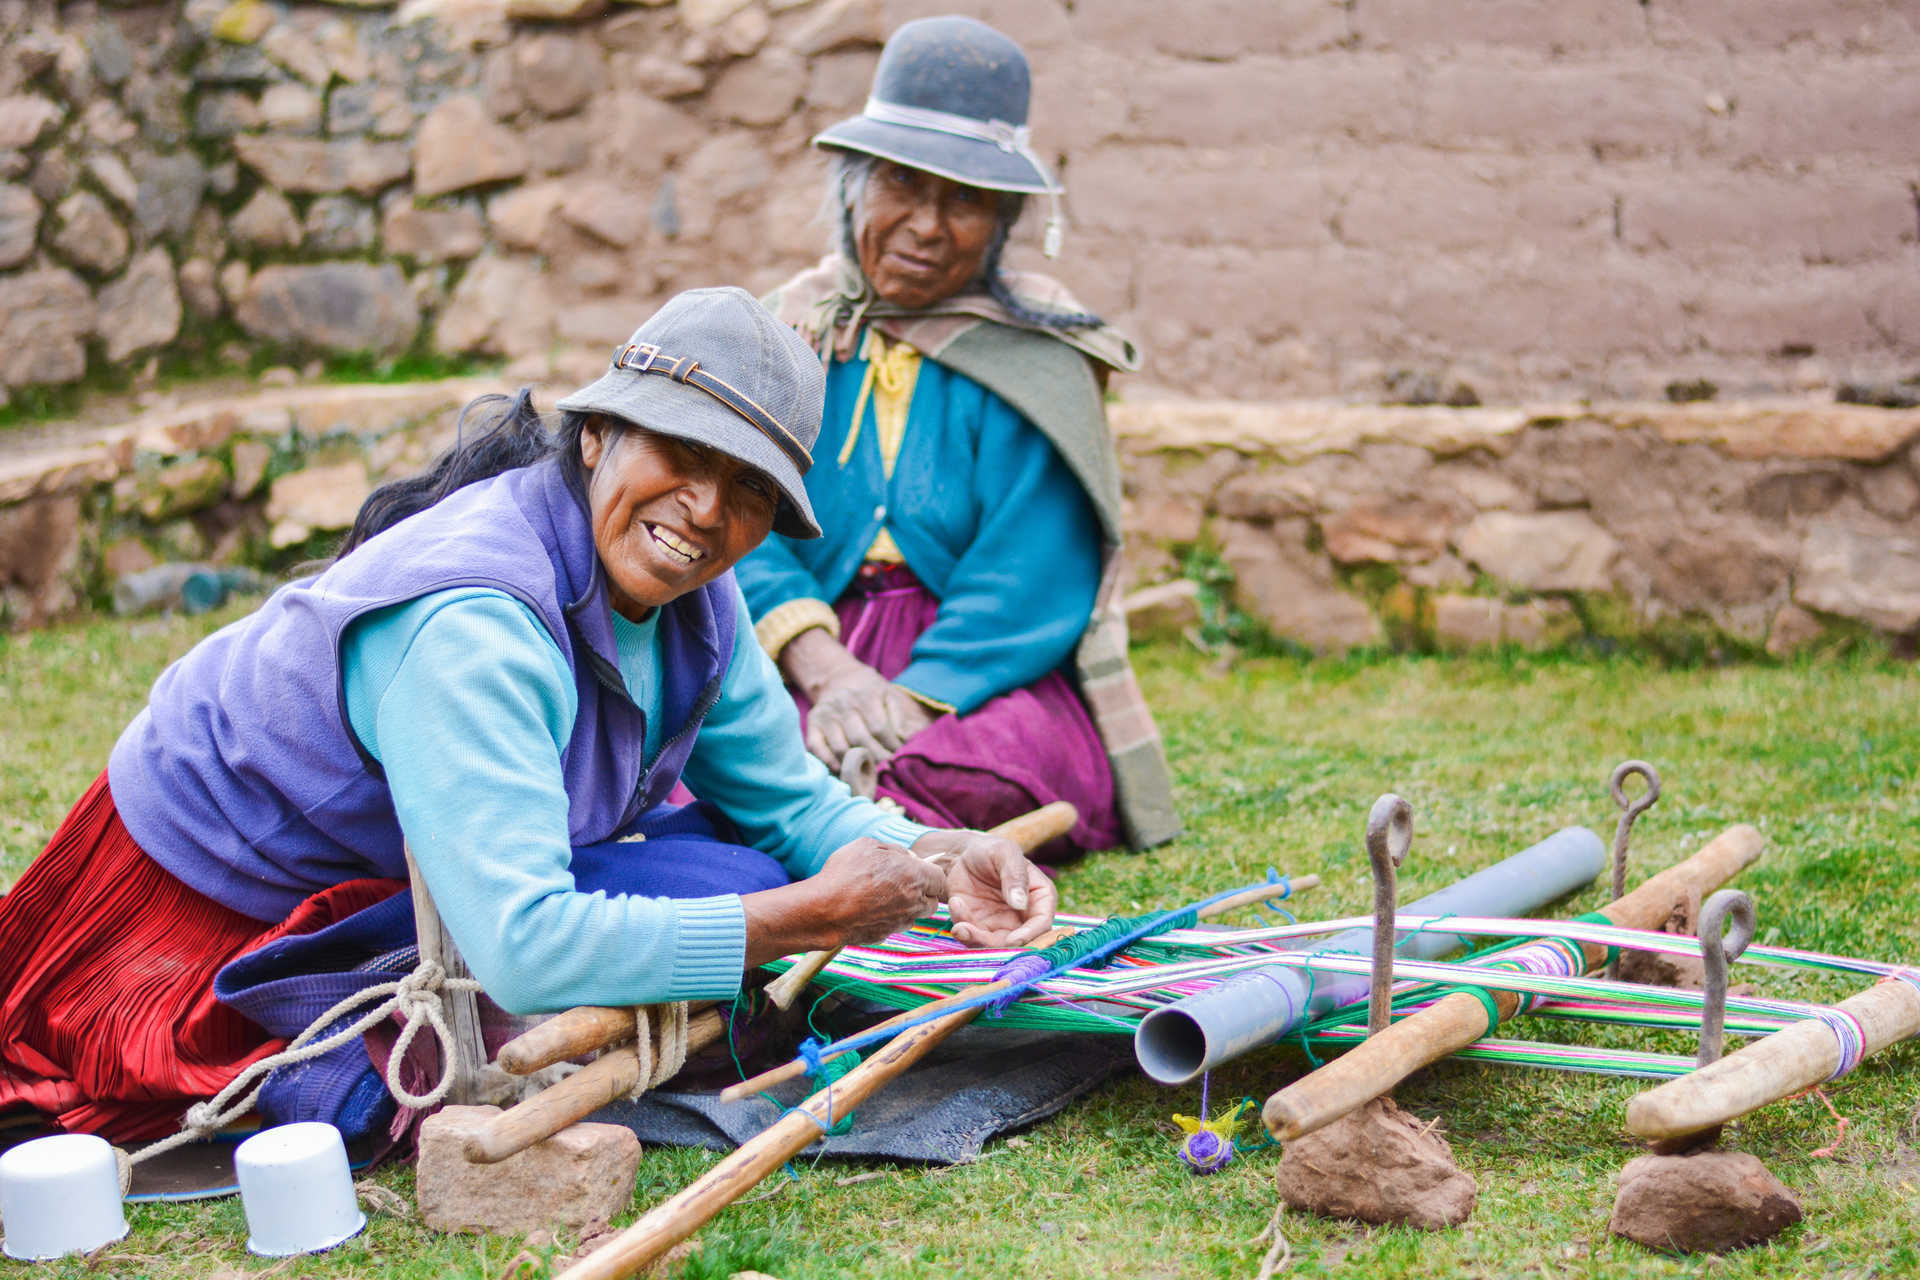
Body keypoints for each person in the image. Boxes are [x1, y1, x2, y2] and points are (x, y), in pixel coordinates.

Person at [0, 287, 1054, 1144]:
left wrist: (929, 855)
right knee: (744, 904)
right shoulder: (475, 625)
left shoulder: (702, 598)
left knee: (742, 866)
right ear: (596, 434)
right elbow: (524, 944)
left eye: (747, 489)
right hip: (196, 912)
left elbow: (787, 800)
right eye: (679, 454)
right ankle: (328, 1025)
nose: (705, 509)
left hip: (403, 874)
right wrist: (810, 918)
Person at [741, 15, 1180, 863]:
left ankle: (853, 828)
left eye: (966, 199)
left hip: (971, 674)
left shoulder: (1039, 358)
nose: (928, 225)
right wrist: (824, 670)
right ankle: (847, 824)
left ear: (1005, 221)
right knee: (732, 757)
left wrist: (911, 701)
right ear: (852, 189)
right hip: (802, 649)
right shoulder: (784, 333)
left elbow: (1031, 570)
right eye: (901, 184)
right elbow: (735, 523)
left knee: (984, 772)